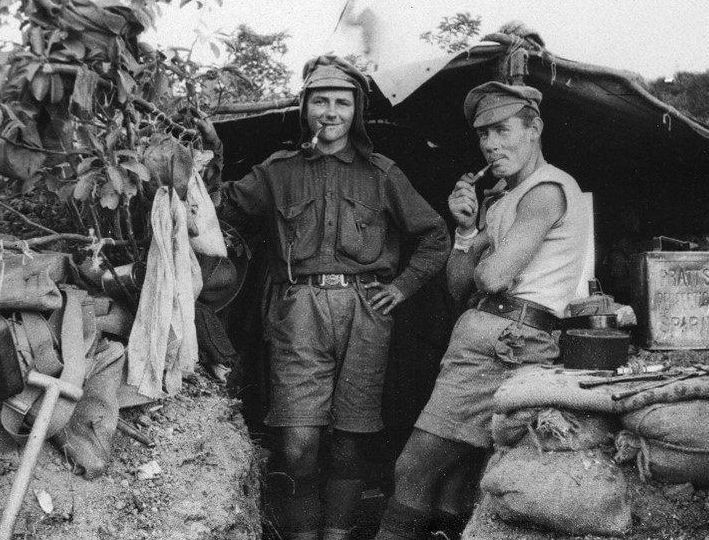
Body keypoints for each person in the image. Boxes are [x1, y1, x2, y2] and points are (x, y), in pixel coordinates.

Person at [204, 55, 450, 540]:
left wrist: (401, 288)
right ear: (305, 109)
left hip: (365, 314)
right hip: (298, 313)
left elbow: (435, 235)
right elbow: (218, 208)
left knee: (350, 444)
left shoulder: (382, 174)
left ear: (356, 112)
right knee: (297, 443)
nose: (331, 112)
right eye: (321, 101)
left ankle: (338, 534)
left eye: (342, 102)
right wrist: (206, 161)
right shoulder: (277, 172)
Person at [374, 82, 589, 540]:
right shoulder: (508, 196)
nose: (491, 144)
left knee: (413, 466)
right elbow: (457, 285)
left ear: (535, 129)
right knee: (455, 482)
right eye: (483, 134)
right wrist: (468, 231)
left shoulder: (545, 190)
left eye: (502, 130)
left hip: (504, 339)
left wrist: (486, 256)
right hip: (489, 334)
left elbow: (491, 279)